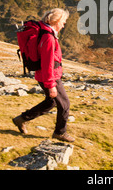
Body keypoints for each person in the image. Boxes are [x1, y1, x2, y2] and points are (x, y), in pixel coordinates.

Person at [13, 8, 75, 142]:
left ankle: (21, 119)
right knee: (64, 104)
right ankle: (60, 132)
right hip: (50, 77)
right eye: (63, 22)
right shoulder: (48, 37)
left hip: (45, 76)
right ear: (56, 21)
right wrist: (50, 85)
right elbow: (48, 63)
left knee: (51, 102)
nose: (64, 25)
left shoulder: (45, 32)